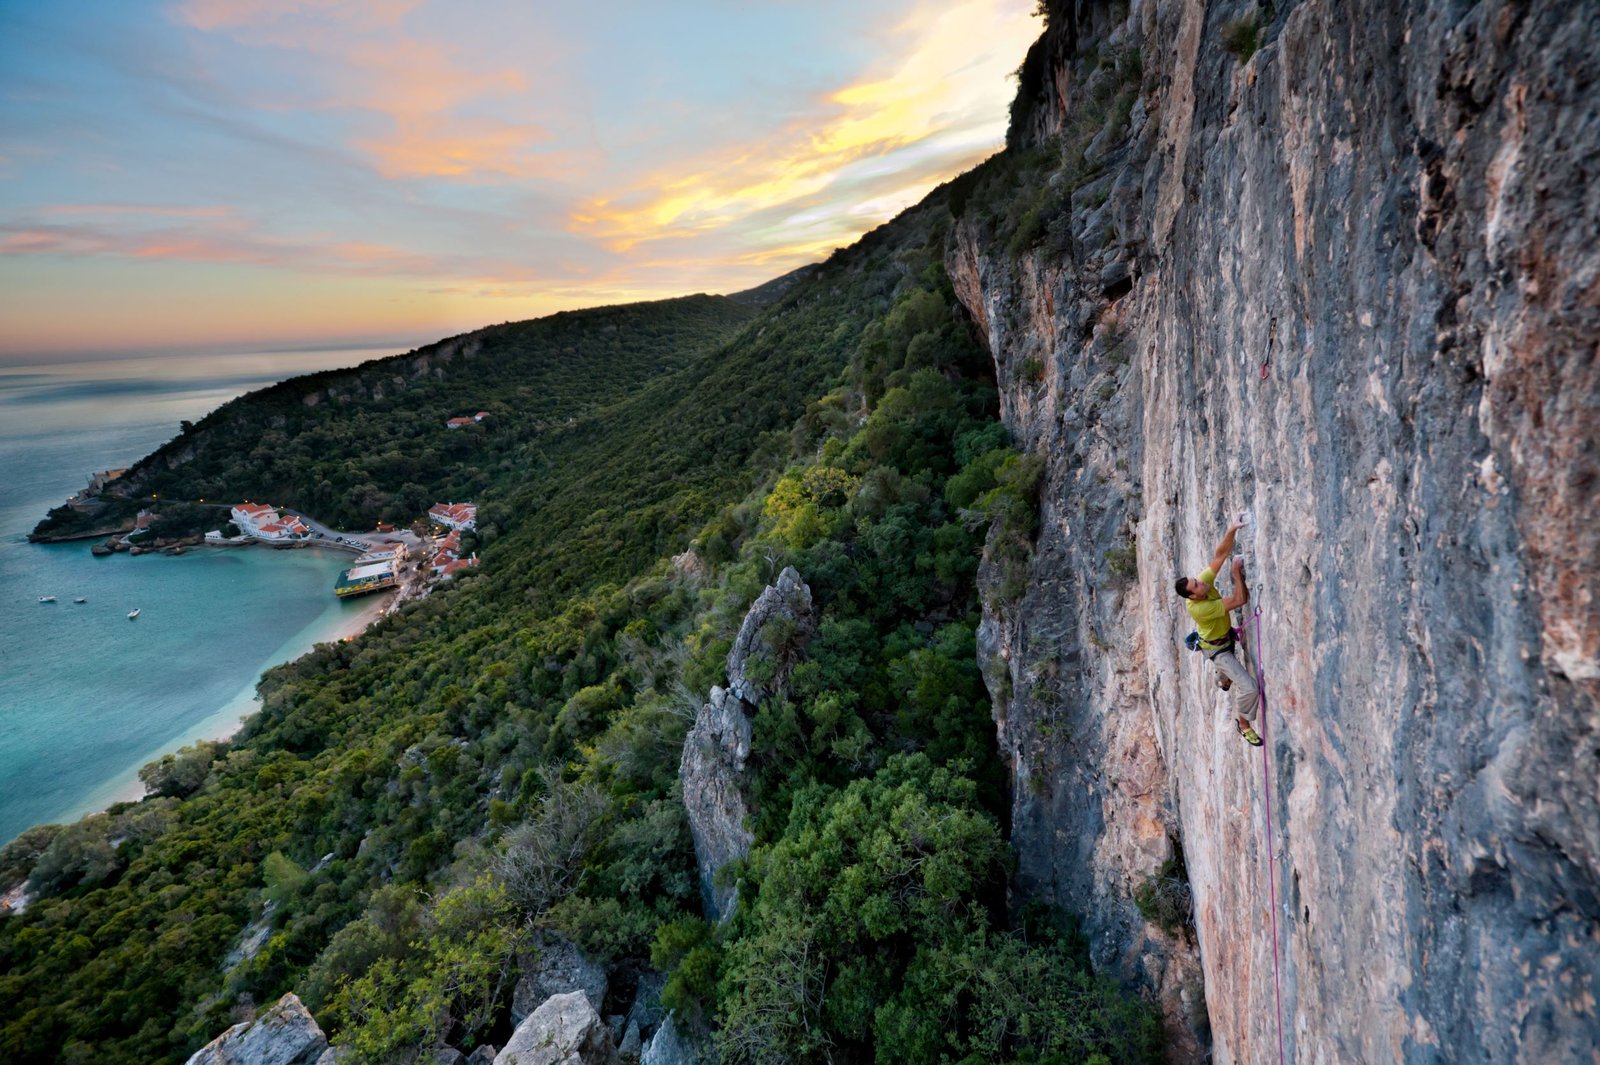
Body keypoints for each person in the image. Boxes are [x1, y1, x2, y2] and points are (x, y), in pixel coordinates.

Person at [1174, 519, 1261, 746]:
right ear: (1193, 596)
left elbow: (1219, 556)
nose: (1202, 583)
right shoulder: (1200, 608)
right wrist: (1235, 572)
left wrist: (1231, 529)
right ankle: (1243, 724)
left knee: (1227, 673)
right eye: (1197, 585)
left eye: (1198, 580)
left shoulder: (1200, 587)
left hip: (1225, 639)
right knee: (1250, 688)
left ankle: (1223, 679)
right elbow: (1240, 599)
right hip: (1218, 651)